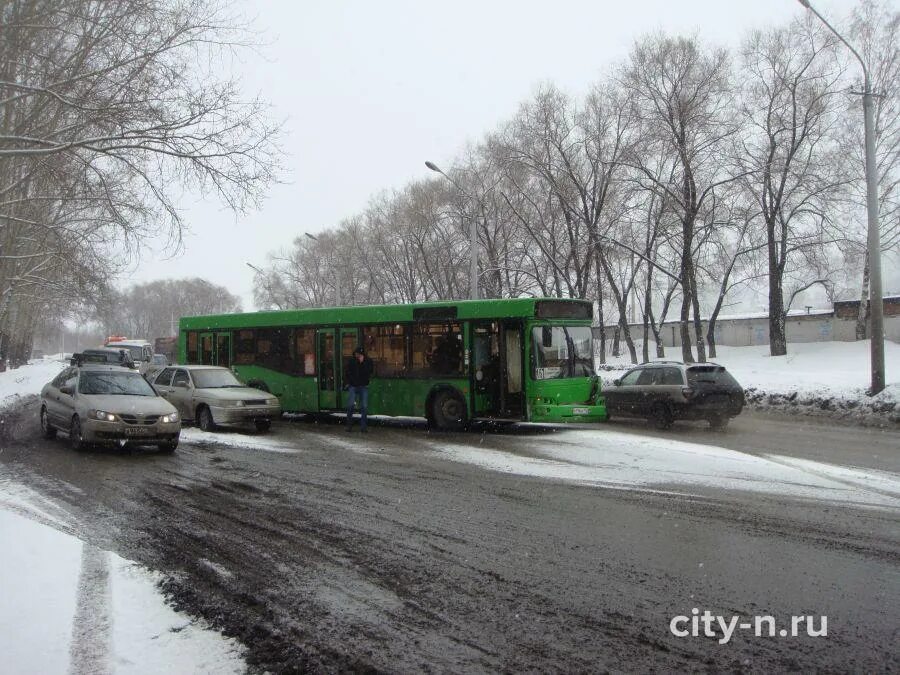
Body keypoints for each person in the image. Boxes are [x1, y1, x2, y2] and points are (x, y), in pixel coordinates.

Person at [345, 346, 374, 432]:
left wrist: (362, 363)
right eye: (356, 354)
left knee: (364, 406)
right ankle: (349, 426)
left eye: (358, 354)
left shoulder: (368, 361)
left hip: (363, 386)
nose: (357, 356)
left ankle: (363, 427)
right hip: (353, 386)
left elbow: (369, 372)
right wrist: (349, 382)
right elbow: (347, 372)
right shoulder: (352, 361)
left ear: (362, 354)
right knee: (350, 405)